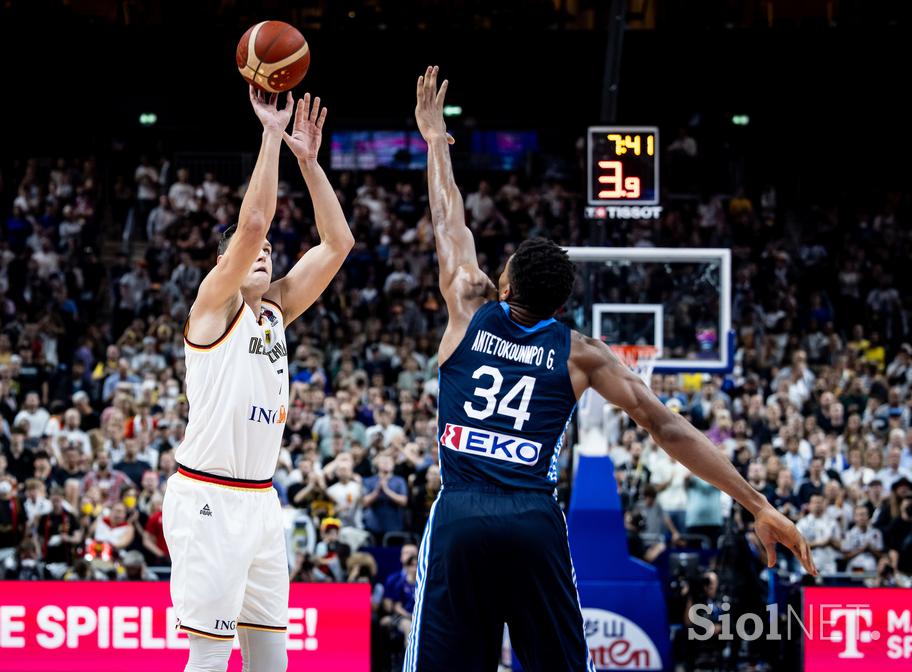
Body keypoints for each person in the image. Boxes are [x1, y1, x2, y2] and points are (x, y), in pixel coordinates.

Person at [403, 66, 815, 672]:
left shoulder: (468, 306)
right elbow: (668, 427)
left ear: (507, 281)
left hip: (462, 511)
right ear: (562, 305)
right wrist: (757, 504)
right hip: (531, 519)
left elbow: (448, 220)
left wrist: (436, 141)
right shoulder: (582, 352)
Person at [163, 87, 353, 672]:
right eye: (256, 250)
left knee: (271, 661)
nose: (265, 250)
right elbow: (251, 224)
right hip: (209, 498)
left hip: (261, 501)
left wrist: (310, 162)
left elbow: (338, 243)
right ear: (229, 264)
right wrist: (271, 134)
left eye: (272, 248)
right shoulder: (213, 307)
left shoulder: (276, 310)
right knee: (209, 658)